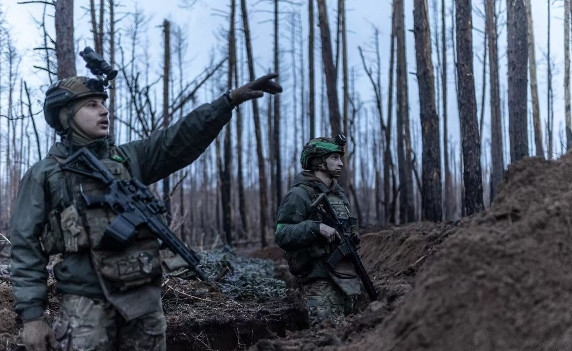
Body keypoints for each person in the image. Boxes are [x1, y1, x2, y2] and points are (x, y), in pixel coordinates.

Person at [10, 48, 282, 350]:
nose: (103, 110)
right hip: (85, 307)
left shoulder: (127, 159)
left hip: (144, 301)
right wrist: (33, 317)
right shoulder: (45, 174)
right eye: (91, 104)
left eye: (103, 103)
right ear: (65, 115)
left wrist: (226, 102)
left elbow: (176, 140)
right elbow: (25, 246)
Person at [275, 135, 363, 326]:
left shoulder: (339, 195)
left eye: (340, 158)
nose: (340, 163)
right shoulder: (299, 194)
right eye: (334, 158)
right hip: (319, 283)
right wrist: (315, 228)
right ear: (318, 162)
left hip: (348, 279)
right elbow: (282, 234)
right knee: (325, 335)